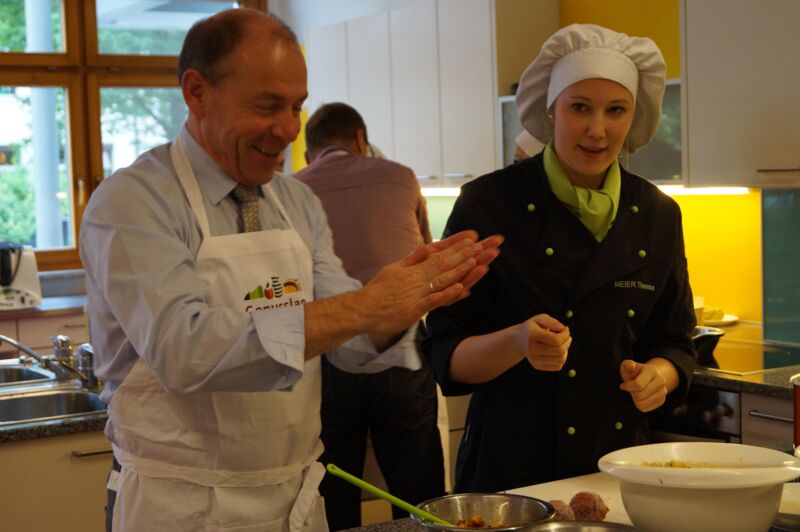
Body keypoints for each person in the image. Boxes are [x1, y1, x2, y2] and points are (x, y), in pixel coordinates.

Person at [79, 9, 502, 531]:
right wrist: (365, 305)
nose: (288, 129)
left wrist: (400, 308)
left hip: (294, 501)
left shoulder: (295, 201)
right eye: (267, 106)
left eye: (297, 106)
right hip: (179, 505)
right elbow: (184, 350)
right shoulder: (134, 201)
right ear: (197, 92)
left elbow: (349, 347)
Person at [422, 24, 697, 493]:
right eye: (580, 107)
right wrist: (516, 342)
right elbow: (445, 354)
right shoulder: (487, 205)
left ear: (634, 115)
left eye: (616, 110)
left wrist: (658, 377)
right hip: (509, 477)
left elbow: (676, 343)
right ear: (551, 109)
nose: (597, 130)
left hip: (617, 469)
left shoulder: (658, 215)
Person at [294, 102, 444, 530]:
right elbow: (425, 257)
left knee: (335, 486)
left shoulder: (292, 190)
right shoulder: (401, 176)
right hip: (400, 344)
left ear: (309, 152)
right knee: (417, 495)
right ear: (361, 139)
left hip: (326, 350)